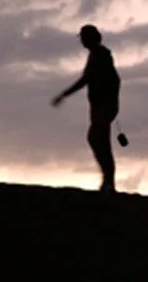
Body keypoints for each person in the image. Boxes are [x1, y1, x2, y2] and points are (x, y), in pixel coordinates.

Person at [51, 24, 121, 193]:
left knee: (98, 139)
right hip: (100, 106)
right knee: (98, 140)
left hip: (104, 106)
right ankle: (108, 181)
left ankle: (108, 181)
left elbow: (89, 79)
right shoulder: (97, 55)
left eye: (83, 37)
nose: (81, 40)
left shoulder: (100, 55)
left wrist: (65, 94)